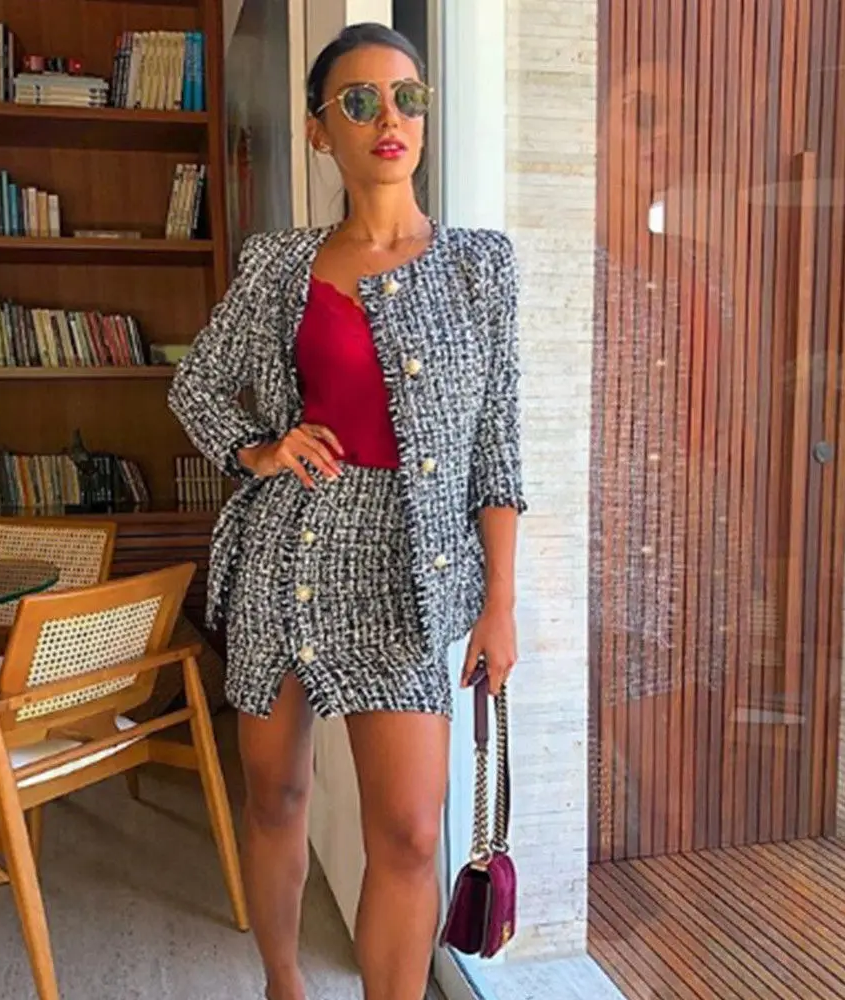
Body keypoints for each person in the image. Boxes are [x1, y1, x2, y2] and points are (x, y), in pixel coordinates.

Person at [168, 22, 525, 1000]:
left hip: (406, 569)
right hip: (286, 550)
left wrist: (499, 604)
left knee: (409, 830)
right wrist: (259, 449)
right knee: (277, 792)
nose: (389, 118)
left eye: (408, 98)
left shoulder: (480, 268)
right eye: (359, 102)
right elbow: (196, 385)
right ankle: (283, 981)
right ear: (320, 131)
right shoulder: (277, 264)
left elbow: (496, 450)